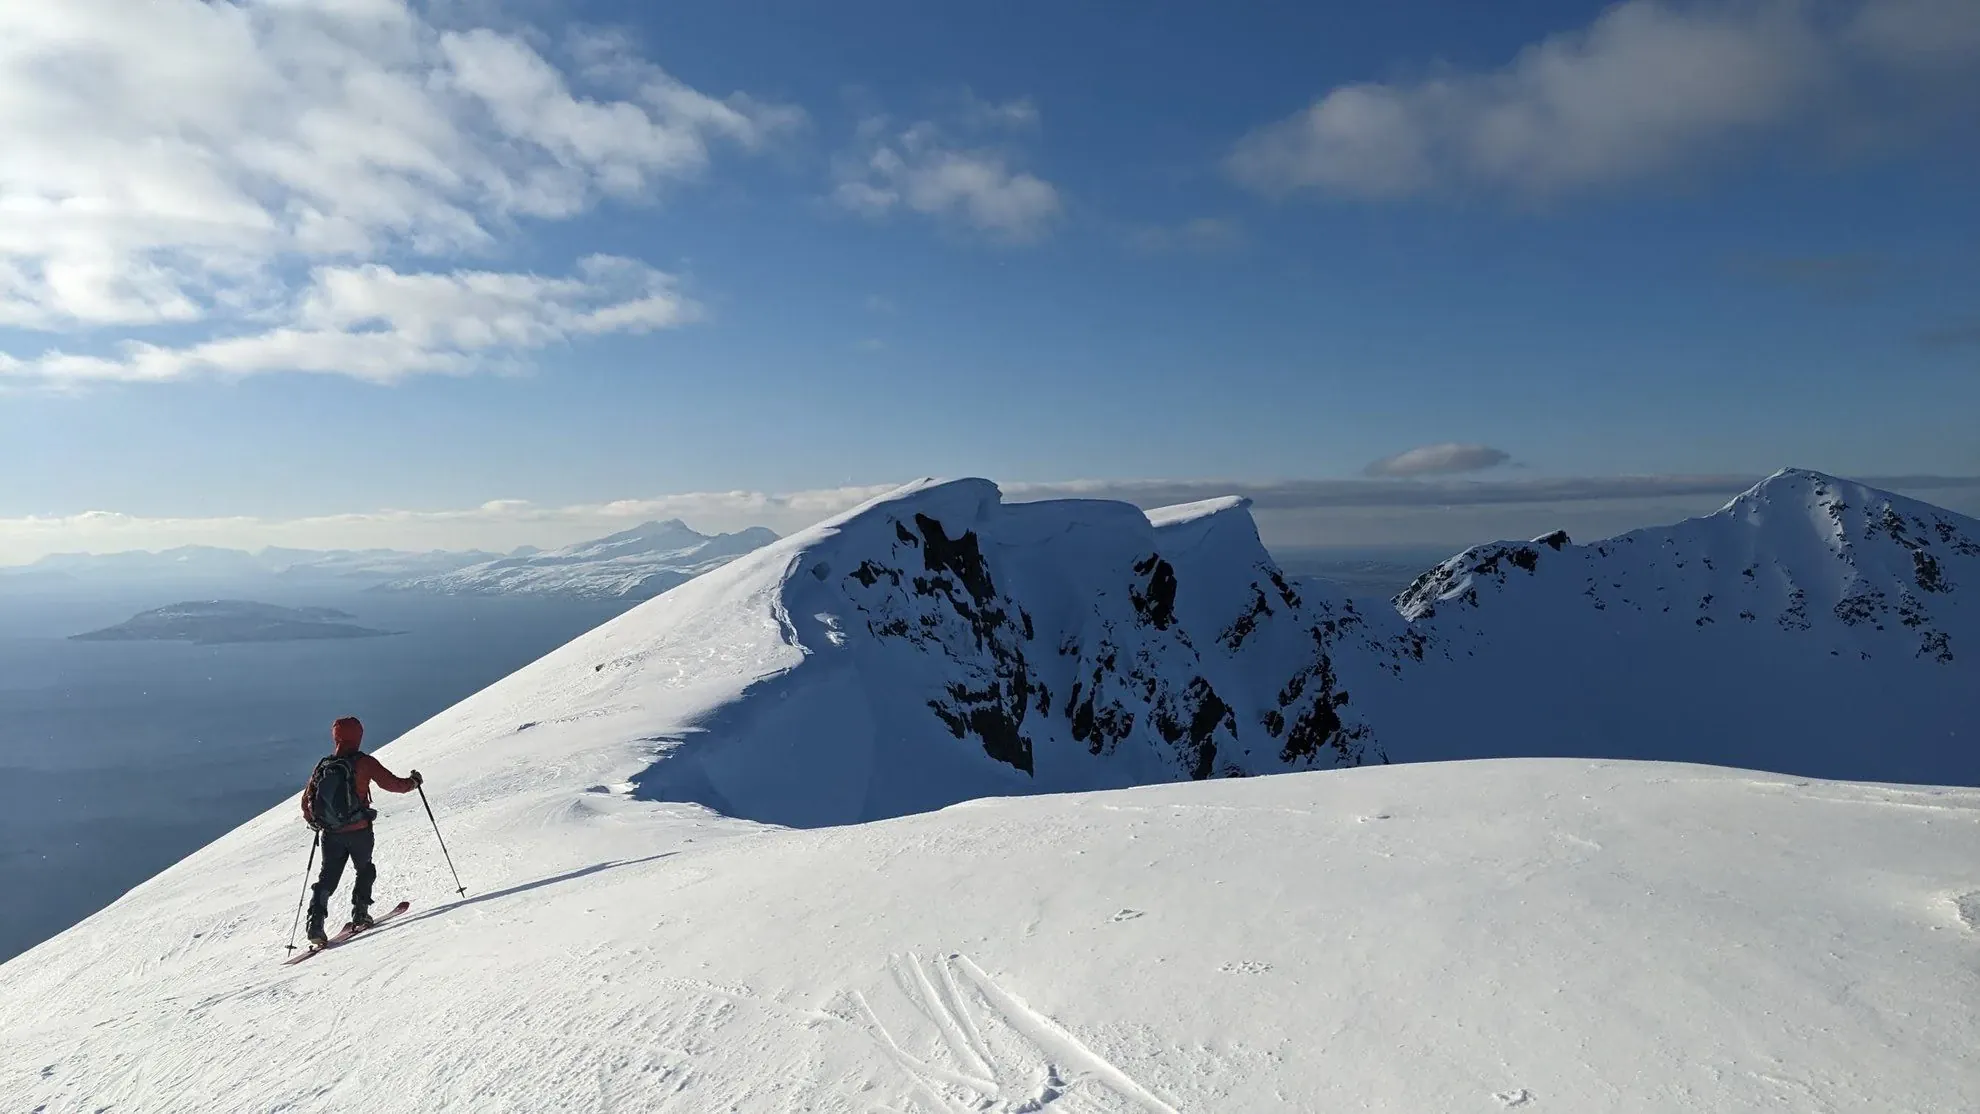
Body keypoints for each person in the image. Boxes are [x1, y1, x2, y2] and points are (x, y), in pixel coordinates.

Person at [299, 716, 421, 947]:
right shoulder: (363, 763)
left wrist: (314, 820)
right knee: (364, 869)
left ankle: (315, 923)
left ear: (335, 736)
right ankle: (360, 913)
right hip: (359, 831)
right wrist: (413, 782)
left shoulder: (324, 765)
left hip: (330, 833)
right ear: (359, 736)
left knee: (327, 877)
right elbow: (393, 784)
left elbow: (307, 800)